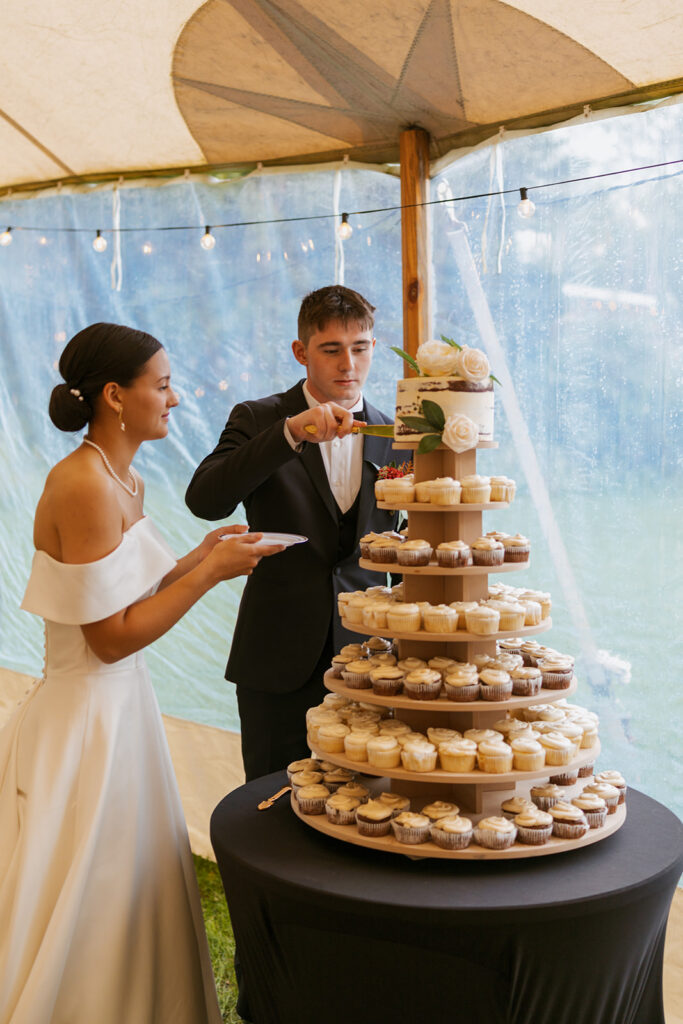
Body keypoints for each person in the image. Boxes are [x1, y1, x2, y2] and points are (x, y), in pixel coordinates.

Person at [0, 323, 283, 1024]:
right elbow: (108, 640)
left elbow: (130, 588)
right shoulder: (81, 486)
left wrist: (198, 554)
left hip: (124, 713)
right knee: (82, 893)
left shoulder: (123, 476)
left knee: (128, 885)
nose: (175, 398)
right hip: (83, 722)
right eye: (161, 384)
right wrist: (211, 576)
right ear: (115, 395)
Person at [186, 285, 408, 782]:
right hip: (277, 658)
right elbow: (204, 500)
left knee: (365, 799)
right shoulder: (259, 418)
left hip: (369, 663)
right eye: (331, 349)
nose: (348, 363)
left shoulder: (395, 436)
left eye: (361, 347)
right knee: (269, 804)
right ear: (301, 352)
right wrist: (290, 434)